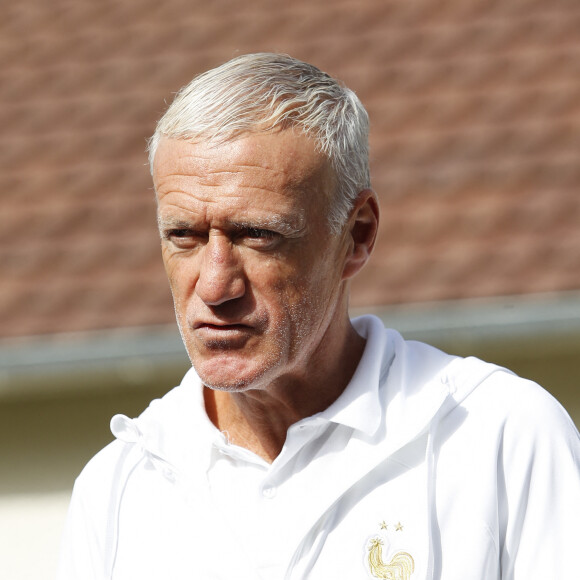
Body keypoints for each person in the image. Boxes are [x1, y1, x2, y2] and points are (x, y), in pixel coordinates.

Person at [58, 53, 580, 580]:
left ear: (357, 235)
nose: (215, 285)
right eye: (183, 236)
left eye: (258, 235)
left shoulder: (499, 436)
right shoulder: (120, 487)